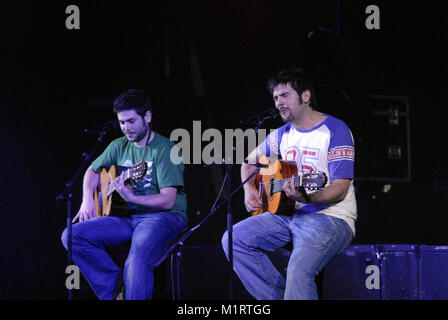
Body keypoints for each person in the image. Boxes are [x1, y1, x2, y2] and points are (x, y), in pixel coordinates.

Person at [221, 67, 356, 300]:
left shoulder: (335, 129)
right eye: (275, 98)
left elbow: (340, 188)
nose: (278, 103)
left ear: (305, 96)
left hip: (331, 217)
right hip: (290, 214)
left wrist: (308, 197)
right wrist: (249, 190)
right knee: (233, 239)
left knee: (298, 270)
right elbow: (249, 163)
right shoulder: (282, 134)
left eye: (285, 95)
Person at [61, 89, 187, 300]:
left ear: (147, 116)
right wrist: (86, 201)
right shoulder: (117, 146)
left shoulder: (166, 150)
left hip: (164, 217)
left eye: (131, 121)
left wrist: (133, 198)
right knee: (72, 236)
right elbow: (92, 171)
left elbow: (168, 200)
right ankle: (116, 292)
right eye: (121, 122)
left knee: (136, 259)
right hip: (128, 218)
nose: (126, 128)